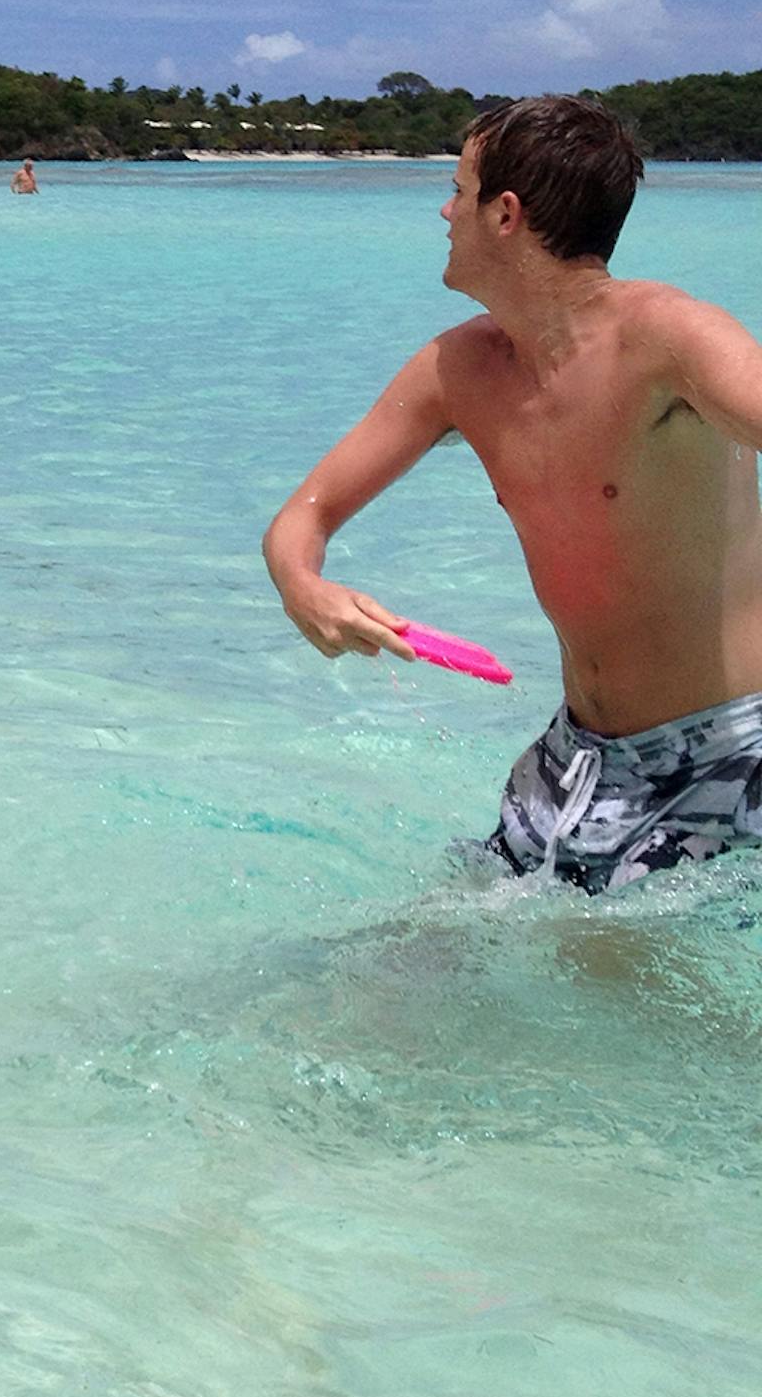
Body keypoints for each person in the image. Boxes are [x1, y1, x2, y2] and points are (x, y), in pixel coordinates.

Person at [263, 93, 762, 892]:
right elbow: (306, 514)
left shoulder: (670, 339)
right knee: (428, 955)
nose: (443, 210)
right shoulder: (459, 369)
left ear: (504, 214)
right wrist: (304, 587)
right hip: (578, 759)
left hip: (728, 762)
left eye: (457, 190)